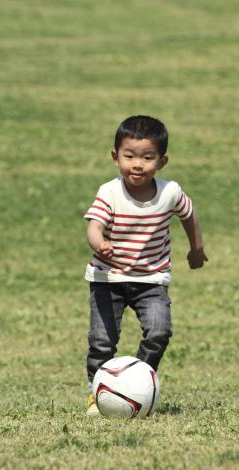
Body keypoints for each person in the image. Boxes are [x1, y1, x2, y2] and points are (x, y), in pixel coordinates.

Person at [82, 115, 207, 416]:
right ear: (115, 157)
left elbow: (189, 215)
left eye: (147, 157)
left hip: (151, 280)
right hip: (107, 278)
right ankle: (96, 392)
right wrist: (99, 243)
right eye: (129, 156)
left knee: (159, 331)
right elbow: (94, 225)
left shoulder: (170, 193)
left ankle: (138, 381)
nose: (137, 164)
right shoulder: (109, 192)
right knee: (101, 342)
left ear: (161, 162)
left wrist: (197, 248)